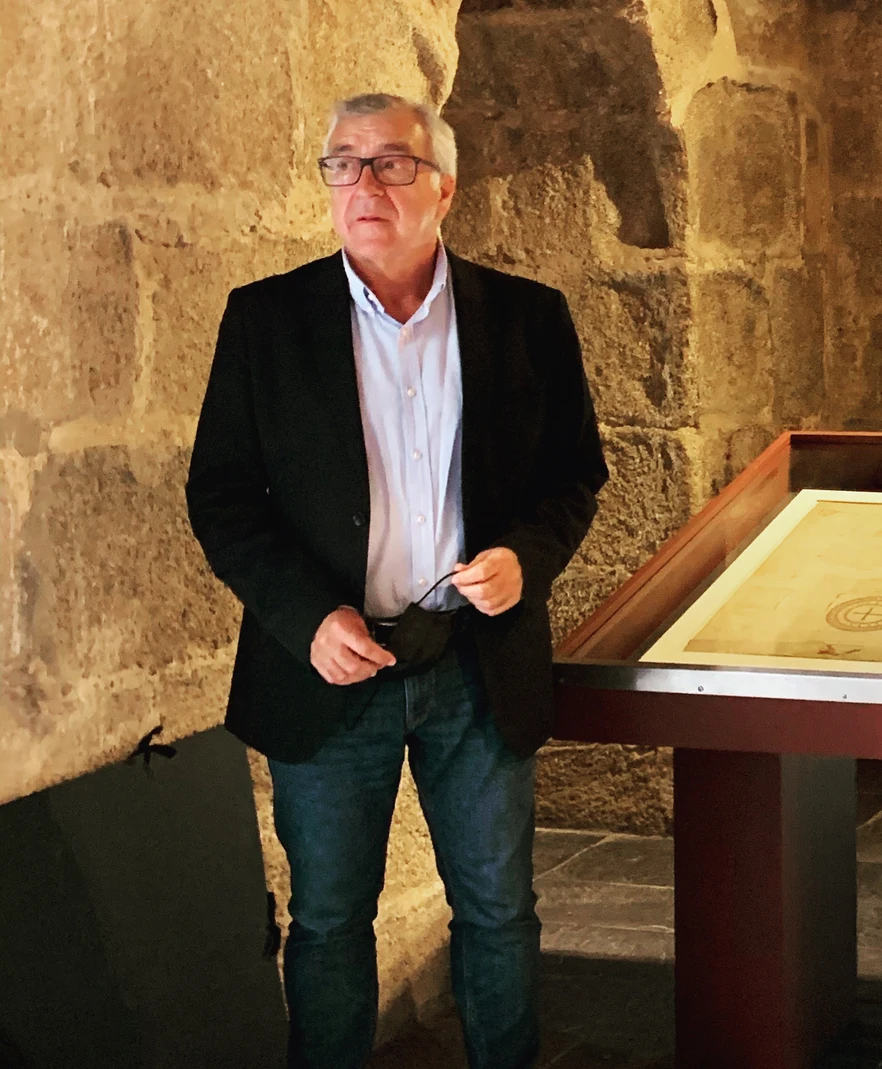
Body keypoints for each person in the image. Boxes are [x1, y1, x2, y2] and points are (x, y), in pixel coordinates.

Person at [185, 93, 608, 1069]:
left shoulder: (526, 318)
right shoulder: (268, 320)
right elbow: (222, 497)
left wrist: (522, 559)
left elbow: (573, 473)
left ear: (444, 187)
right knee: (330, 919)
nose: (363, 183)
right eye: (343, 163)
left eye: (390, 163)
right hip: (332, 670)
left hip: (474, 663)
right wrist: (305, 616)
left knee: (497, 911)